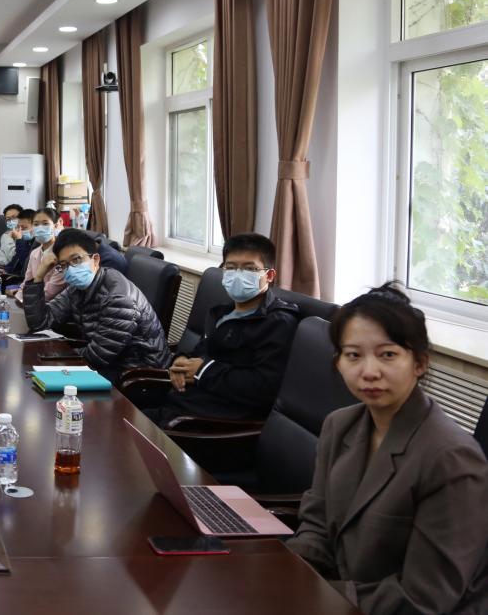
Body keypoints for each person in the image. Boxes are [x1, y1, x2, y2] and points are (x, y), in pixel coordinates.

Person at [285, 284, 488, 615]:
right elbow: (316, 525)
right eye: (353, 355)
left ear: (419, 363)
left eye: (388, 355)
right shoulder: (339, 425)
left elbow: (425, 597)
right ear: (338, 363)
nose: (369, 372)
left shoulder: (451, 457)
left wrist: (317, 596)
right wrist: (288, 577)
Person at [140, 233, 299, 427]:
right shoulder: (222, 312)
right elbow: (202, 351)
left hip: (208, 422)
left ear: (269, 275)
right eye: (231, 267)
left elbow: (264, 387)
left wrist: (203, 370)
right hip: (178, 404)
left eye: (250, 268)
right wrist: (181, 360)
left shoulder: (278, 322)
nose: (238, 275)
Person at [23, 228, 169, 381]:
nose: (71, 269)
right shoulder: (77, 288)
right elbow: (41, 323)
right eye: (64, 265)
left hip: (139, 376)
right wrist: (39, 276)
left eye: (76, 259)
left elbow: (98, 357)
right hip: (112, 364)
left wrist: (55, 358)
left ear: (96, 260)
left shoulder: (118, 298)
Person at [17, 208, 66, 303]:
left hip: (53, 304)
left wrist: (27, 299)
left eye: (45, 223)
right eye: (36, 224)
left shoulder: (62, 253)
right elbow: (26, 282)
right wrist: (18, 299)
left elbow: (51, 292)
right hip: (32, 301)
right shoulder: (34, 253)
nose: (40, 228)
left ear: (55, 226)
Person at [1, 208, 38, 280]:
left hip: (23, 279)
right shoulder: (27, 239)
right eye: (19, 227)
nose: (20, 231)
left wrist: (19, 240)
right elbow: (16, 259)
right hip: (14, 275)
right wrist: (5, 270)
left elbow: (25, 264)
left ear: (35, 225)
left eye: (24, 228)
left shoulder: (37, 243)